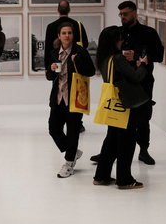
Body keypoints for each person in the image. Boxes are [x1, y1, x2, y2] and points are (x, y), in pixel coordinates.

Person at [91, 25, 148, 188]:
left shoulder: (104, 59)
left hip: (112, 105)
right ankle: (125, 179)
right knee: (126, 141)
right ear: (115, 41)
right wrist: (142, 64)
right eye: (120, 39)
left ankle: (101, 175)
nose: (122, 41)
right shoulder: (118, 59)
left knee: (111, 140)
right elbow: (136, 77)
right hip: (124, 104)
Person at [45, 22, 95, 178]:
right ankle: (73, 152)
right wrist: (51, 70)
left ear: (73, 36)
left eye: (70, 33)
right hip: (58, 97)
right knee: (53, 129)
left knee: (73, 131)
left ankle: (68, 164)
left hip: (75, 97)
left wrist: (77, 61)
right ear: (59, 36)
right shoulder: (53, 53)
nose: (67, 35)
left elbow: (91, 72)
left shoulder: (81, 52)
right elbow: (49, 77)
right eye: (64, 33)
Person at [118, 0, 164, 165]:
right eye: (121, 14)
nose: (123, 17)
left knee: (143, 117)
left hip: (143, 80)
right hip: (122, 81)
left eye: (125, 14)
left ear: (135, 13)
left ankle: (144, 150)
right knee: (119, 115)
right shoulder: (117, 33)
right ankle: (115, 150)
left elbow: (159, 55)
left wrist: (137, 55)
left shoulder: (148, 33)